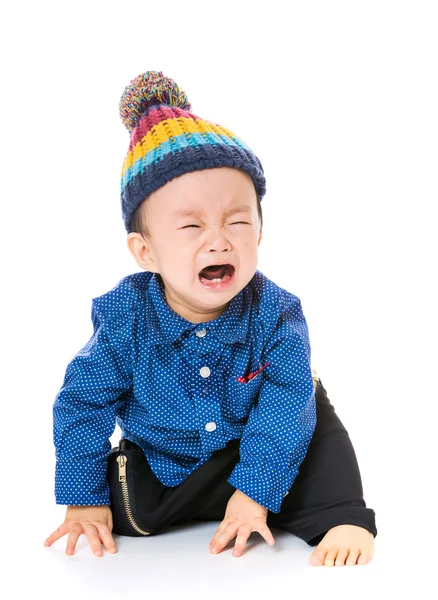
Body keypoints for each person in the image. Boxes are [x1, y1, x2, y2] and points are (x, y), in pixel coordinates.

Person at [44, 70, 377, 566]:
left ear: (259, 234)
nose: (218, 240)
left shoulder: (277, 313)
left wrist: (257, 489)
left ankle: (328, 510)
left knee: (311, 414)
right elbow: (81, 403)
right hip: (168, 457)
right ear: (145, 252)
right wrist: (83, 497)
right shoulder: (124, 317)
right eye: (192, 226)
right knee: (125, 510)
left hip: (260, 441)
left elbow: (284, 407)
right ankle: (214, 503)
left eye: (237, 222)